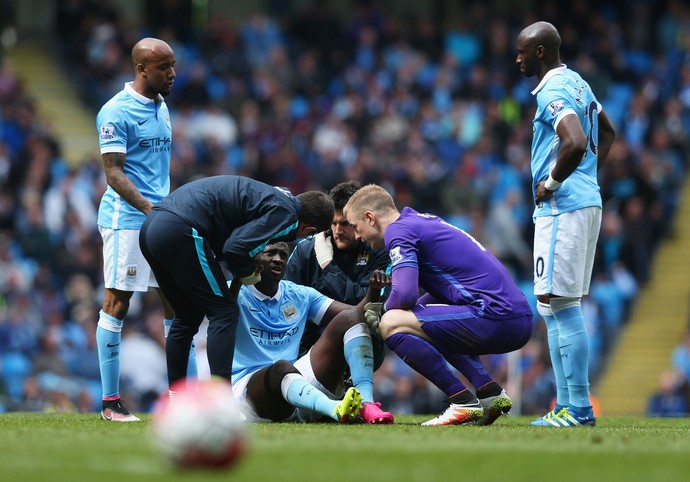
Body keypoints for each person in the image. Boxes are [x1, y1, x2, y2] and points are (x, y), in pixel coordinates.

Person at [343, 185, 534, 426]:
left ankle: (461, 401)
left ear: (370, 217)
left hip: (495, 314)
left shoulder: (398, 231)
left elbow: (404, 294)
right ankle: (490, 393)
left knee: (391, 322)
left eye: (356, 227)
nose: (358, 237)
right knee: (418, 322)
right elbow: (437, 295)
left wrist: (383, 310)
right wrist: (406, 314)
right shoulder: (421, 221)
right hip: (514, 316)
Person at [139, 175, 334, 401]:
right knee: (224, 313)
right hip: (181, 229)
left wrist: (245, 266)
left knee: (186, 318)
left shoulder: (278, 196)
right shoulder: (287, 214)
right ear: (308, 229)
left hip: (152, 226)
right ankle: (222, 401)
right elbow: (234, 249)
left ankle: (175, 400)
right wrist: (249, 272)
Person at [515, 21, 616, 427]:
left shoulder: (554, 91)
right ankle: (564, 405)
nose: (517, 58)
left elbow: (574, 140)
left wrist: (555, 181)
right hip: (579, 202)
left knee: (563, 305)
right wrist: (588, 177)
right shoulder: (579, 83)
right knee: (550, 305)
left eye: (522, 51)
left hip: (563, 207)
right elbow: (607, 133)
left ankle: (578, 408)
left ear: (540, 52)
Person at [95, 37, 196, 423]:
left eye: (173, 66)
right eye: (164, 67)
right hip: (128, 220)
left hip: (161, 217)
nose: (173, 74)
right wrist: (151, 209)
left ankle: (181, 398)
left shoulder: (161, 105)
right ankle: (110, 403)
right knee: (117, 303)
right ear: (141, 69)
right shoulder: (115, 112)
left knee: (178, 305)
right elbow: (113, 172)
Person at [230, 241, 394, 424]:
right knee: (281, 367)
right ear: (254, 257)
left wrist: (373, 292)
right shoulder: (233, 289)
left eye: (283, 255)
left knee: (350, 318)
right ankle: (336, 409)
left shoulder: (300, 294)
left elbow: (356, 314)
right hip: (249, 394)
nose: (278, 259)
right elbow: (216, 310)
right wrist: (238, 278)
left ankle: (366, 404)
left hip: (295, 384)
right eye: (270, 253)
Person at [284, 180, 390, 357]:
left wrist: (328, 267)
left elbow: (370, 306)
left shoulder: (379, 250)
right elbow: (287, 299)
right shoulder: (307, 249)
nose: (338, 231)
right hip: (307, 344)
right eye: (333, 223)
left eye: (345, 224)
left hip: (362, 339)